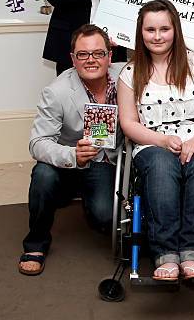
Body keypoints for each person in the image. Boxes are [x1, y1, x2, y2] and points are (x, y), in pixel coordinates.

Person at [118, 0, 194, 280]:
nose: (157, 36)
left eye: (164, 29)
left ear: (175, 30)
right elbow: (129, 123)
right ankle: (165, 255)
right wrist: (161, 139)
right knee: (160, 168)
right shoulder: (130, 74)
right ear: (140, 32)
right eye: (150, 29)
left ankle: (193, 253)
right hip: (152, 141)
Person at [19, 24, 123, 275]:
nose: (91, 60)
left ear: (110, 55)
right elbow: (38, 143)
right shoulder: (56, 92)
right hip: (68, 163)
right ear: (72, 59)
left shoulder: (128, 77)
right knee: (43, 176)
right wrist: (71, 155)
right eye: (83, 54)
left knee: (104, 218)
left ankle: (91, 201)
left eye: (98, 53)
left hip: (106, 163)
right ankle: (36, 243)